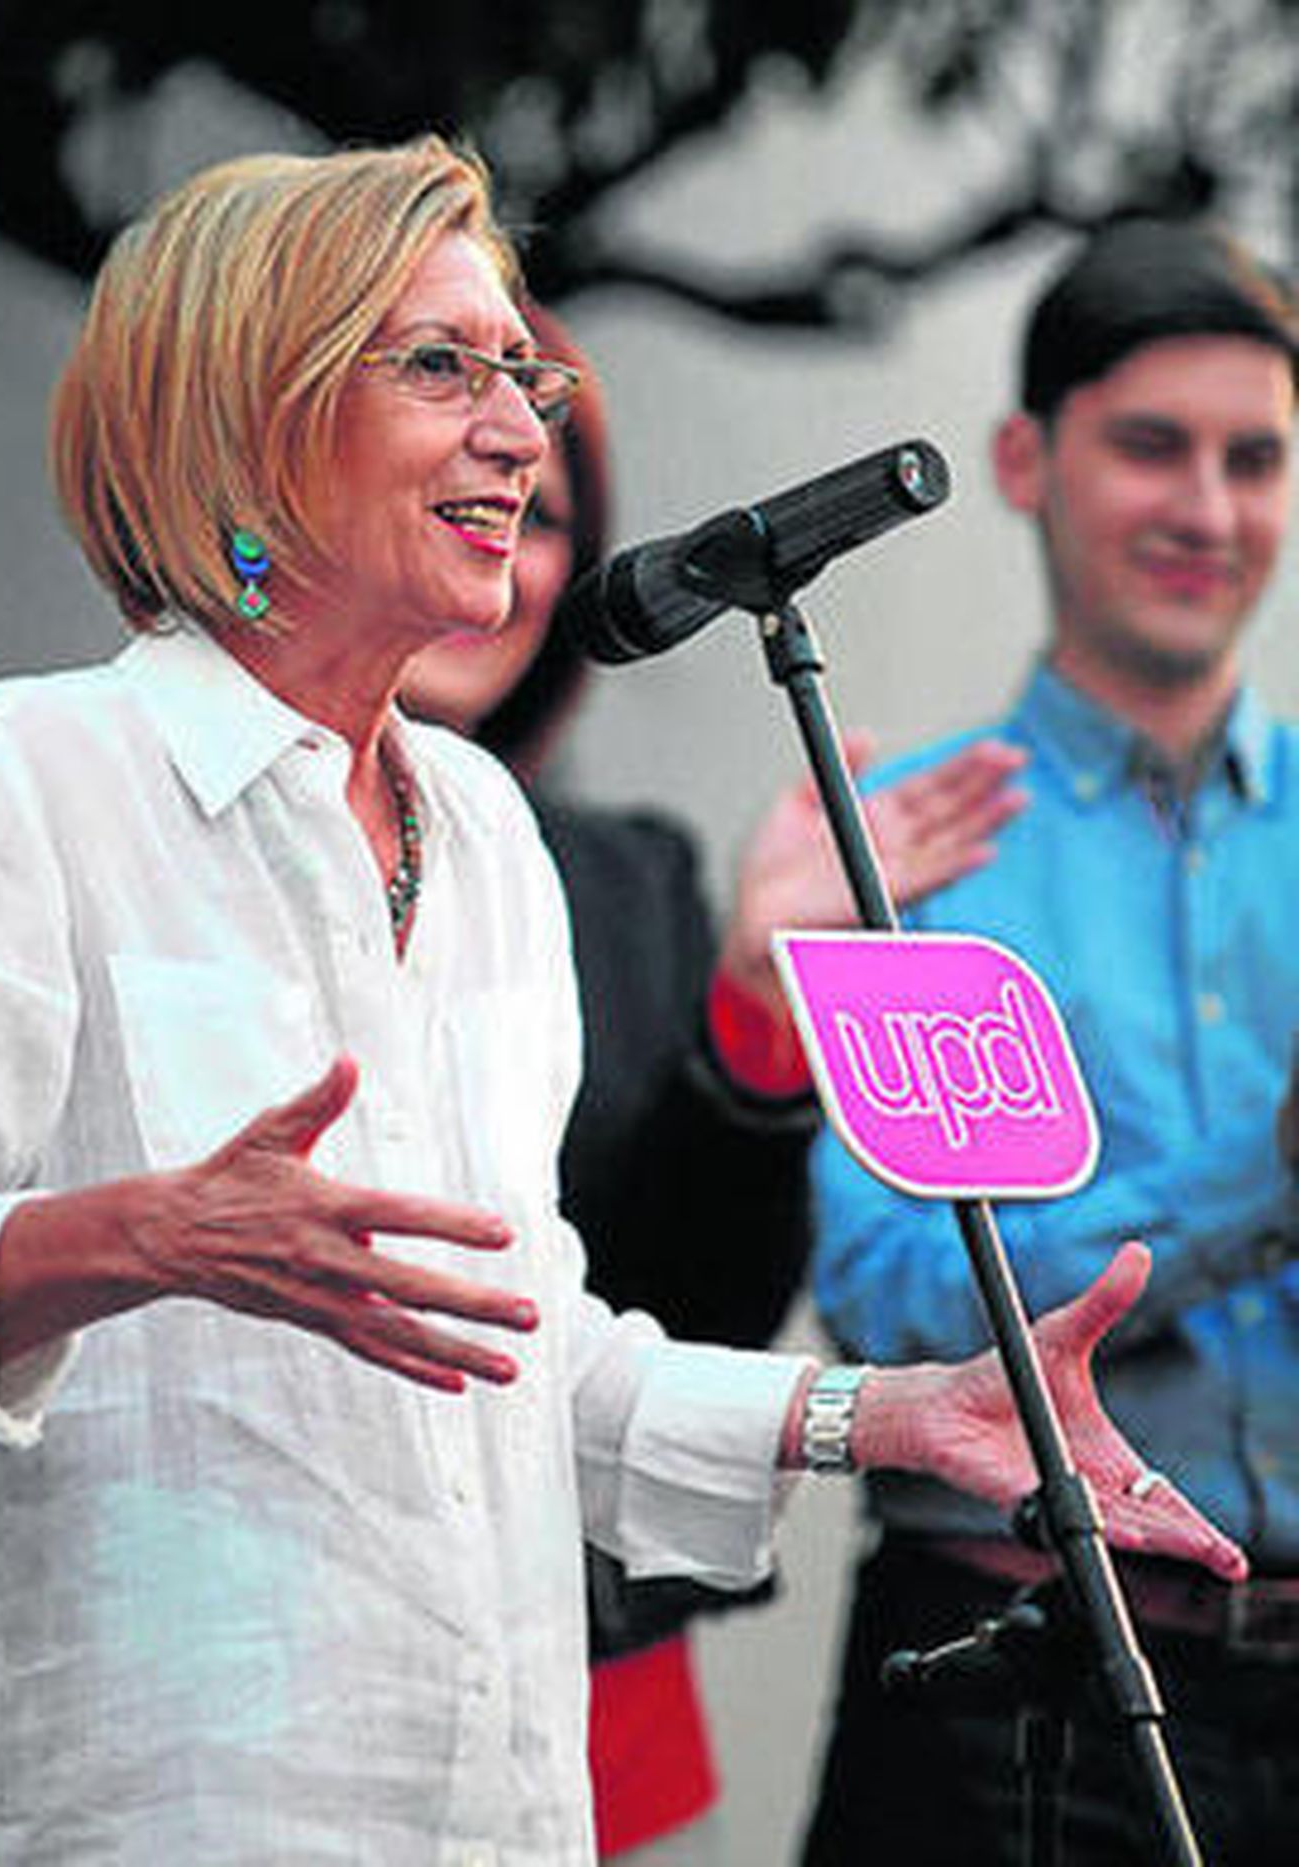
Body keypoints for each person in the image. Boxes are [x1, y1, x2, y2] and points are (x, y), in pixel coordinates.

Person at [0, 141, 1244, 1866]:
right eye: (441, 368)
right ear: (248, 409)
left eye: (525, 375)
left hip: (498, 1812)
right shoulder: (33, 777)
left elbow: (536, 1352)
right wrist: (147, 1236)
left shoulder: (484, 834)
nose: (518, 428)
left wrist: (892, 1414)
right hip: (162, 1809)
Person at [400, 304, 1030, 1862]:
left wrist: (755, 1007)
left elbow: (689, 1314)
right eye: (476, 490)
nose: (510, 544)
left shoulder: (625, 881)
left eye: (552, 517)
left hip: (589, 1684)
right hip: (291, 1681)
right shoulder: (168, 828)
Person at [801, 216, 1299, 1867]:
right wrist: (1268, 1175)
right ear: (1025, 459)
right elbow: (888, 1291)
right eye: (1153, 447)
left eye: (1257, 459)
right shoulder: (908, 848)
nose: (1209, 511)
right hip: (1016, 1695)